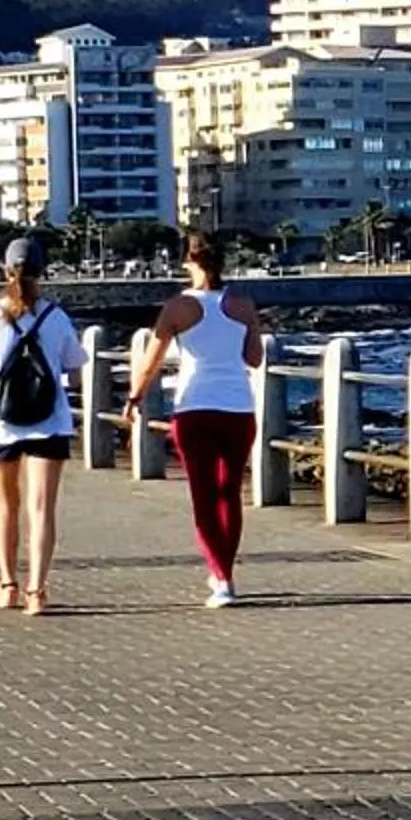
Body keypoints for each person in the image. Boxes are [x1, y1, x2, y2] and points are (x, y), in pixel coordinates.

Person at [124, 230, 264, 605]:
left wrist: (135, 396)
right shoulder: (244, 305)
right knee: (229, 492)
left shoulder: (177, 308)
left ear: (191, 263)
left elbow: (151, 359)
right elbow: (254, 359)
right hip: (238, 407)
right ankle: (224, 573)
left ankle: (222, 579)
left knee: (203, 496)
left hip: (194, 407)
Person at [0, 234, 85, 615]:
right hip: (49, 422)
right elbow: (76, 371)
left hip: (1, 422)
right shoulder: (56, 317)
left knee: (5, 504)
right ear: (43, 272)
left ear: (4, 270)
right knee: (42, 508)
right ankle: (37, 592)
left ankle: (8, 585)